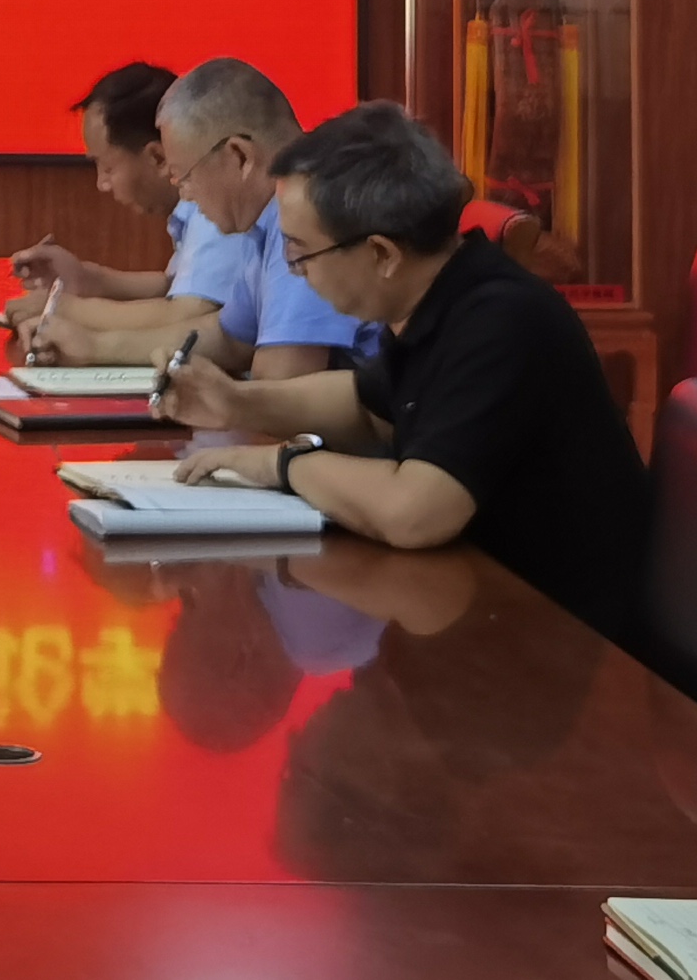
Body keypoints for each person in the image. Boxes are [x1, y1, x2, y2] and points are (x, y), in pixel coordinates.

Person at [166, 100, 648, 641]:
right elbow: (369, 407)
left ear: (382, 254)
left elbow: (415, 512)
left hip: (563, 639)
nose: (297, 273)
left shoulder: (501, 320)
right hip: (481, 605)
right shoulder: (436, 297)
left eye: (301, 254)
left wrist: (284, 463)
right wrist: (238, 402)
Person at [33, 56, 361, 374]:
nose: (185, 195)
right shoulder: (263, 219)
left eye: (185, 177)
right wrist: (95, 347)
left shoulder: (307, 210)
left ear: (239, 157)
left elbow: (281, 378)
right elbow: (229, 338)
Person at [6, 62, 226, 360]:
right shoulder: (191, 209)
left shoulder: (214, 204)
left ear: (158, 158)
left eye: (107, 167)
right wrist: (87, 279)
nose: (102, 184)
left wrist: (63, 309)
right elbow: (175, 288)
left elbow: (190, 311)